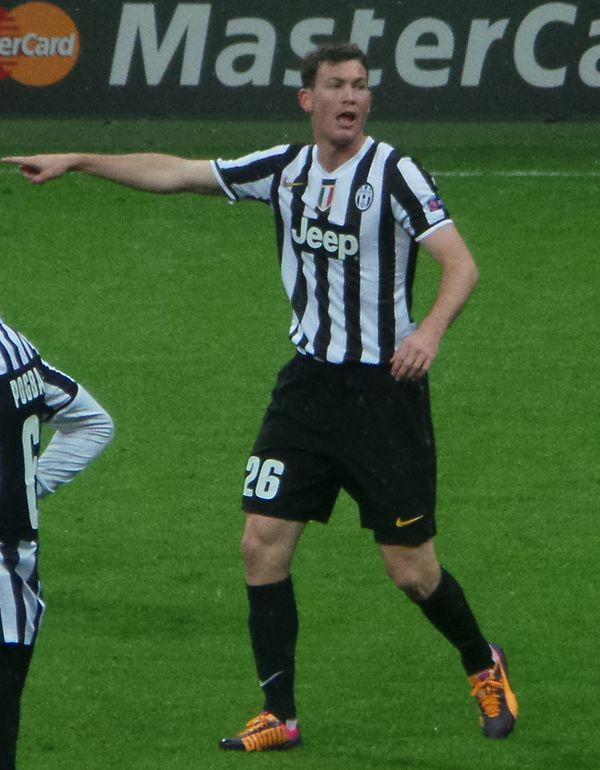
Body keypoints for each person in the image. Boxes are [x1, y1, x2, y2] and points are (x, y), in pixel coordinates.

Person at [2, 42, 518, 752]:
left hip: (385, 392)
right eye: (336, 86)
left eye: (361, 87)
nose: (351, 98)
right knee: (260, 545)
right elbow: (180, 173)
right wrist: (80, 161)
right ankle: (280, 713)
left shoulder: (394, 172)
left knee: (410, 568)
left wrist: (428, 330)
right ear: (308, 100)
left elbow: (460, 262)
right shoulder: (285, 169)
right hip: (307, 388)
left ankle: (480, 661)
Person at [0, 316, 113, 769]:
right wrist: (29, 485)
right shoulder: (15, 348)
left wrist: (26, 484)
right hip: (16, 599)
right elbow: (93, 422)